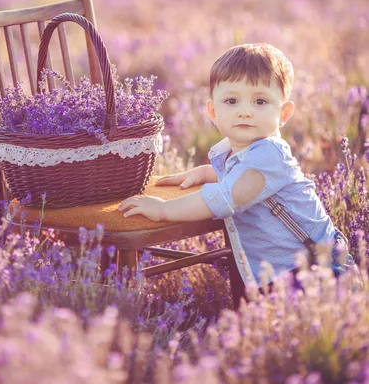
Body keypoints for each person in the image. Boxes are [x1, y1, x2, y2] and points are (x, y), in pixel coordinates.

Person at [118, 43, 337, 306]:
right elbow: (237, 177)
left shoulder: (269, 154)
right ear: (213, 112)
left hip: (312, 268)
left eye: (260, 101)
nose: (245, 111)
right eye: (231, 101)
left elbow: (225, 197)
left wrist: (164, 210)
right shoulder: (240, 152)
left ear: (283, 113)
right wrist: (204, 172)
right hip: (277, 270)